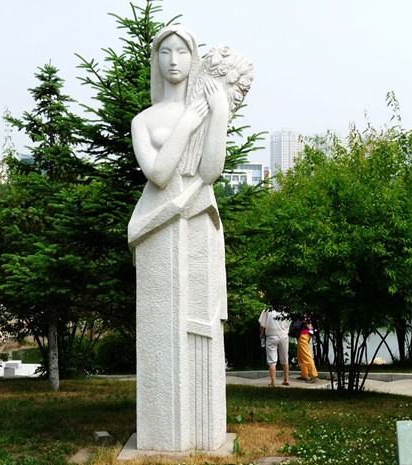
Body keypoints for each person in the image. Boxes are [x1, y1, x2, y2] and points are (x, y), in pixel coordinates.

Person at [127, 24, 253, 451]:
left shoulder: (206, 104)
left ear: (194, 57)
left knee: (199, 319)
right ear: (156, 61)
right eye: (165, 52)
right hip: (159, 220)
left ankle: (202, 430)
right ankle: (162, 431)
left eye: (182, 51)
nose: (174, 60)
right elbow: (159, 173)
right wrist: (189, 123)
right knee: (162, 322)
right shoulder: (143, 120)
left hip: (198, 213)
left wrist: (219, 115)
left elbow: (210, 172)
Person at [259, 309, 291, 387]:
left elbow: (262, 325)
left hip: (271, 336)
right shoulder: (286, 310)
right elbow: (290, 323)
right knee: (285, 359)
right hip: (284, 336)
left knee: (272, 361)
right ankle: (286, 379)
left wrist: (262, 334)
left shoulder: (267, 310)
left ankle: (273, 382)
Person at [296, 315, 319, 383]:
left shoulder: (302, 312)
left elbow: (305, 319)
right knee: (300, 356)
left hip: (303, 335)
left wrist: (307, 325)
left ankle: (313, 375)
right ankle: (304, 374)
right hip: (305, 334)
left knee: (306, 356)